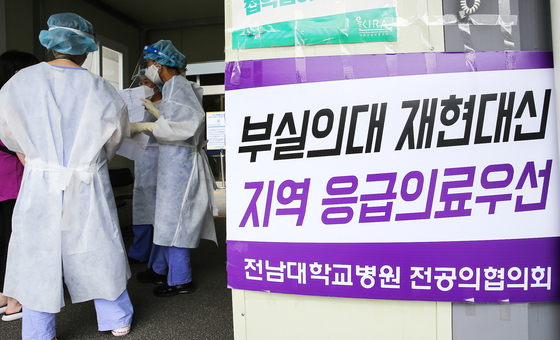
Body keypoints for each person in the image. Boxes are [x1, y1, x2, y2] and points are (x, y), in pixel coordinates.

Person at [0, 13, 133, 339]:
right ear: (87, 48)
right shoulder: (102, 88)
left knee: (37, 255)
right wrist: (89, 161)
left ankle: (38, 331)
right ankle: (116, 318)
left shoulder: (20, 82)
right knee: (99, 248)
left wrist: (33, 157)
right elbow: (115, 139)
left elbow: (9, 132)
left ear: (50, 43)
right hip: (87, 179)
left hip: (40, 181)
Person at [133, 40, 218, 297]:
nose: (147, 71)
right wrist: (158, 115)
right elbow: (179, 120)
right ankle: (163, 269)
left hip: (181, 164)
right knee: (167, 221)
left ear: (160, 65)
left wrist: (148, 125)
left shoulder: (177, 86)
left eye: (149, 66)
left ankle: (181, 279)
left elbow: (187, 126)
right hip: (174, 164)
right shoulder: (172, 87)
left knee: (175, 222)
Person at [0, 50, 39, 322]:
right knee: (18, 240)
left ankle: (3, 296)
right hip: (13, 182)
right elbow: (25, 152)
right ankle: (16, 300)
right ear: (17, 74)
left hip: (4, 184)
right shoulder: (11, 105)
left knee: (4, 238)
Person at [127, 71, 163, 263]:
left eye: (147, 82)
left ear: (157, 85)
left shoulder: (164, 107)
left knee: (158, 209)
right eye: (141, 82)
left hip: (159, 160)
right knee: (141, 207)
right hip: (141, 159)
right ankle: (139, 252)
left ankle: (158, 257)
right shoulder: (138, 108)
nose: (143, 86)